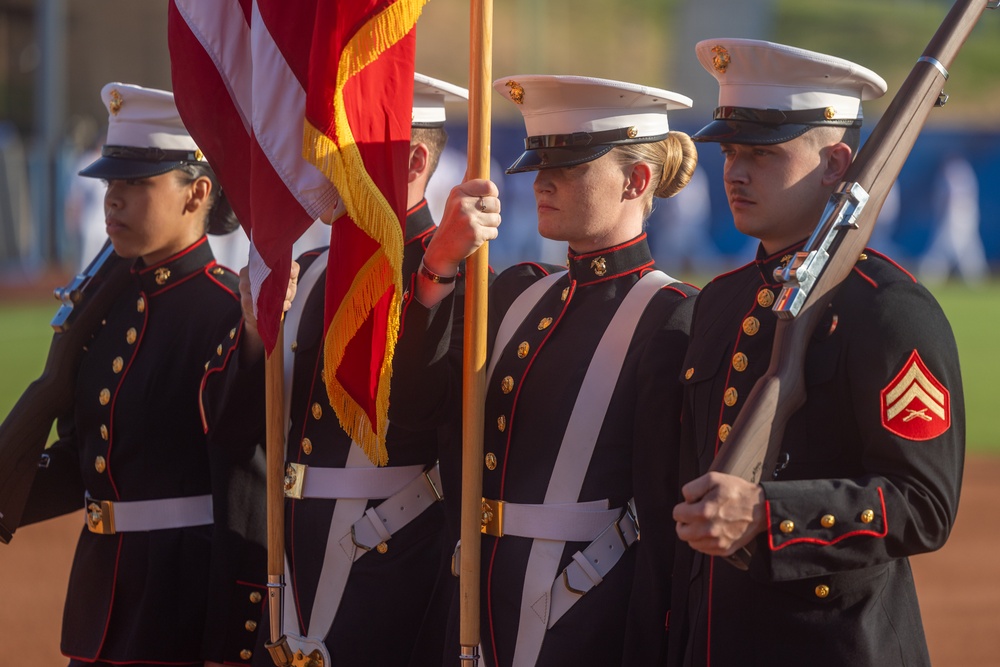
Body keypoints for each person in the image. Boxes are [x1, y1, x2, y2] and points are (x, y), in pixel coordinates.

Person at [670, 39, 965, 666]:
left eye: (763, 153)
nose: (735, 171)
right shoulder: (719, 301)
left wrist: (769, 514)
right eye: (730, 150)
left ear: (836, 163)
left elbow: (924, 504)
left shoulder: (888, 309)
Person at [390, 74, 700, 666]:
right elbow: (415, 411)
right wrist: (438, 268)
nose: (543, 181)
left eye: (573, 166)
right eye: (539, 163)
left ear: (636, 181)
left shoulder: (673, 316)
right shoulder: (517, 292)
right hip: (478, 607)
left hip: (585, 622)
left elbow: (665, 519)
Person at [199, 73, 469, 667]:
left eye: (350, 144)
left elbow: (428, 423)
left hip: (393, 572)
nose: (325, 159)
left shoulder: (464, 283)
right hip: (294, 558)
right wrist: (251, 333)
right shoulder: (310, 268)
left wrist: (433, 285)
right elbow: (238, 433)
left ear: (416, 157)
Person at [17, 83, 247, 666]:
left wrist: (234, 642)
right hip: (102, 608)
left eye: (135, 183)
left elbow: (247, 494)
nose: (112, 200)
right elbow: (85, 462)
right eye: (110, 183)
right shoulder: (108, 311)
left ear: (197, 194)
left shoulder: (227, 315)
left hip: (179, 612)